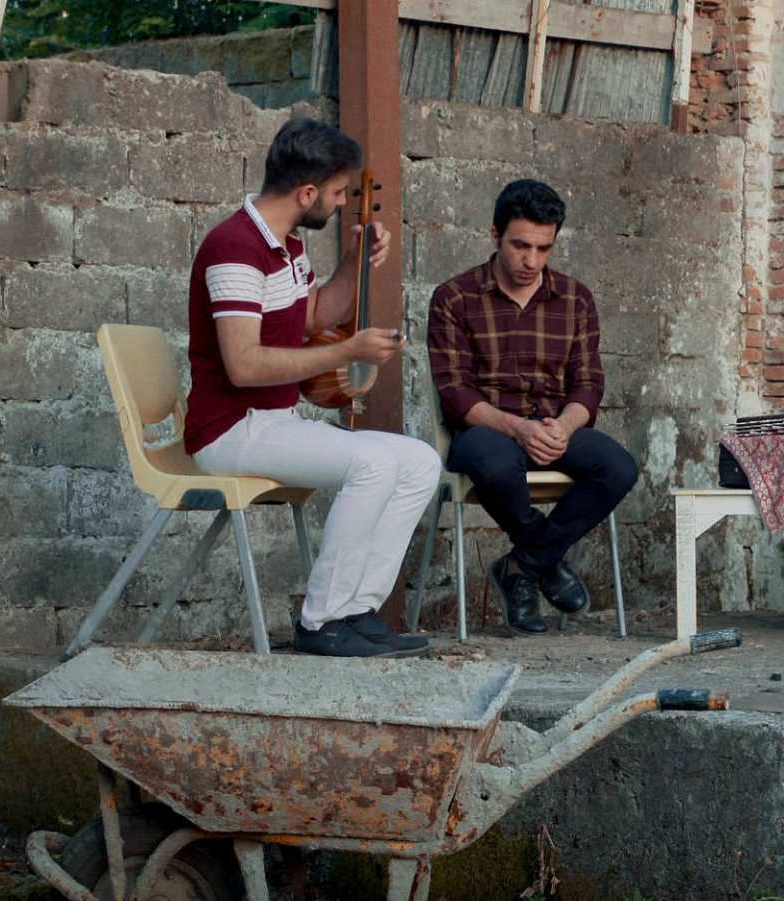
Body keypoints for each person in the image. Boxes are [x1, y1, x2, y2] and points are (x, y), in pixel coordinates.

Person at [185, 117, 441, 658]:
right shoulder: (234, 248)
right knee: (371, 464)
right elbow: (243, 366)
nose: (344, 202)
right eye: (338, 192)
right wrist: (346, 352)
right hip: (228, 430)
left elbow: (314, 316)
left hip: (273, 423)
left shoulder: (287, 244)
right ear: (307, 193)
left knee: (420, 462)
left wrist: (355, 261)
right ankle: (322, 621)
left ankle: (356, 611)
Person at [427, 179, 638, 636]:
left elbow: (588, 384)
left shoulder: (575, 299)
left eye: (544, 248)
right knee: (495, 463)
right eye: (520, 246)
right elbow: (456, 392)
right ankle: (546, 559)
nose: (532, 261)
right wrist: (517, 428)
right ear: (494, 234)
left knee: (618, 468)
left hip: (553, 428)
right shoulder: (455, 297)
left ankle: (522, 565)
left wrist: (564, 426)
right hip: (486, 431)